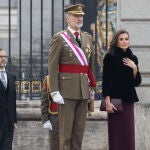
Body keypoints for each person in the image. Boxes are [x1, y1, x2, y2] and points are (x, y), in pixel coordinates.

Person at [48, 4, 96, 150]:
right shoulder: (60, 38)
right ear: (68, 18)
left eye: (81, 15)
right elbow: (53, 65)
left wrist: (92, 87)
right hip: (65, 91)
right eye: (76, 16)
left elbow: (90, 66)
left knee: (78, 133)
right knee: (66, 134)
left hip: (83, 90)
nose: (79, 18)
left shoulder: (87, 38)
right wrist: (54, 91)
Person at [102, 29, 141, 150]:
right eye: (121, 39)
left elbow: (137, 82)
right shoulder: (110, 56)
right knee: (116, 135)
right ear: (116, 41)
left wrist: (134, 68)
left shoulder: (133, 57)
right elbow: (106, 81)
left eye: (126, 39)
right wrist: (107, 102)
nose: (124, 41)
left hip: (129, 100)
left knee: (128, 134)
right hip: (115, 101)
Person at [0, 48, 17, 149]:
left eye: (5, 57)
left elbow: (13, 100)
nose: (3, 59)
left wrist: (14, 120)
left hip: (8, 121)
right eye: (1, 57)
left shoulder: (11, 76)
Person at [41, 75, 59, 150]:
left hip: (69, 118)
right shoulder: (48, 79)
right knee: (55, 145)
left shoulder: (72, 77)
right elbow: (44, 101)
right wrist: (45, 119)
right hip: (55, 118)